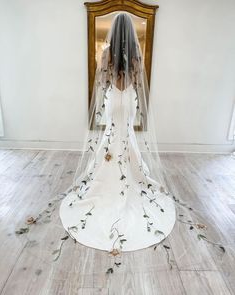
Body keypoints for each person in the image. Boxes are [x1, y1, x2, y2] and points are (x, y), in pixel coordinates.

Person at [59, 12, 176, 252]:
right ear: (131, 32)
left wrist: (110, 77)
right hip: (129, 101)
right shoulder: (136, 56)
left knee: (110, 137)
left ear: (114, 31)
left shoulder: (106, 54)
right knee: (127, 137)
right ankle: (132, 174)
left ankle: (105, 177)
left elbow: (101, 83)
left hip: (114, 101)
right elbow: (140, 85)